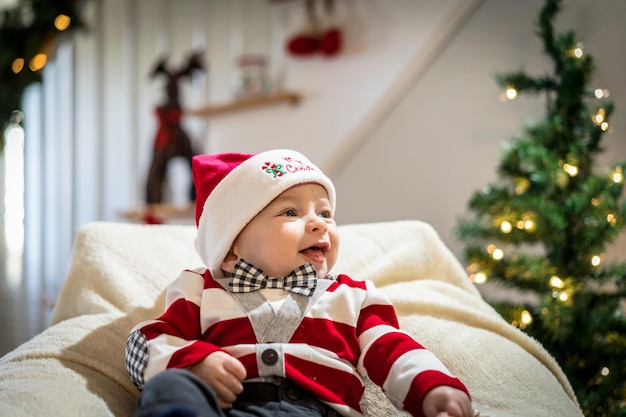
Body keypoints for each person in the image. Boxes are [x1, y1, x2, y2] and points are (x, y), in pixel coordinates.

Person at [126, 149, 477, 417]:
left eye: (325, 213)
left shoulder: (351, 296)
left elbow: (394, 349)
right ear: (231, 247)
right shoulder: (201, 289)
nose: (319, 224)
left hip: (322, 409)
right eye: (291, 212)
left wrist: (436, 390)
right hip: (229, 406)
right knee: (170, 386)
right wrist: (193, 363)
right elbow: (147, 340)